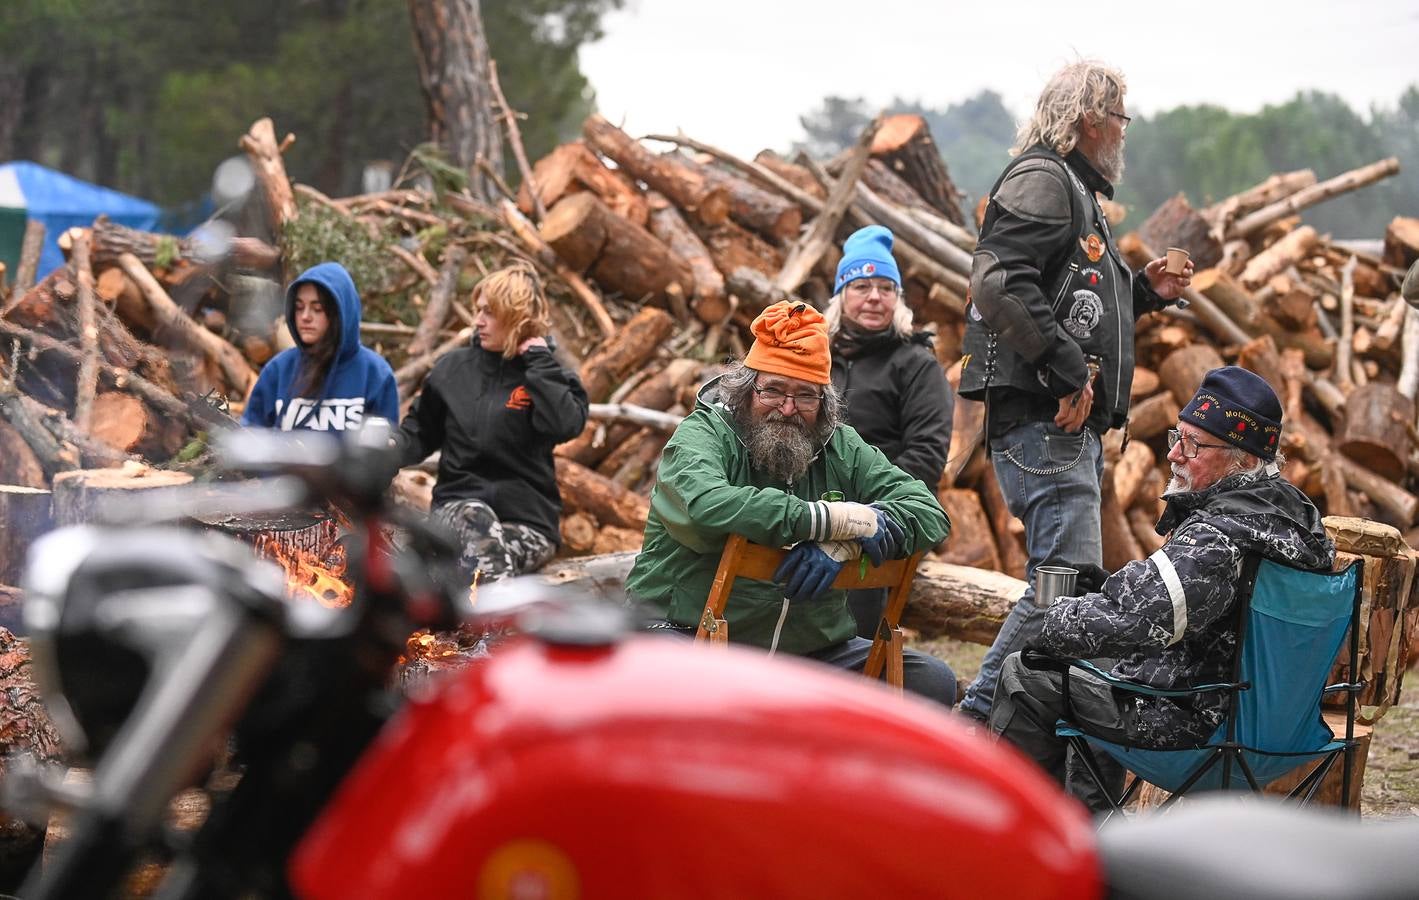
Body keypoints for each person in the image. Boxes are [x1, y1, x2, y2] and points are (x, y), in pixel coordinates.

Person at [956, 60, 1196, 724]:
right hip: (1045, 419)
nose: (1124, 131)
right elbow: (999, 281)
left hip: (1057, 424)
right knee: (1059, 585)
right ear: (1090, 119)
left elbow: (1070, 300)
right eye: (1119, 117)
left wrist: (1139, 292)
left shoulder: (1072, 188)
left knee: (1066, 586)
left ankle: (1016, 731)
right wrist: (1068, 371)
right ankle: (976, 727)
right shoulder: (1043, 179)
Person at [988, 367, 1335, 811]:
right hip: (1276, 728)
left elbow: (1140, 620)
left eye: (1193, 443)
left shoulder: (1219, 534)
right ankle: (1090, 832)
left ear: (1244, 459)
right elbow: (1189, 598)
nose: (1173, 453)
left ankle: (1013, 831)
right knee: (1097, 668)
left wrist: (1053, 621)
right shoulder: (1300, 525)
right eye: (1178, 435)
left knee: (1027, 673)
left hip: (1195, 725)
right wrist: (1112, 584)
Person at [625, 300, 957, 706]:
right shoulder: (705, 434)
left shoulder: (839, 446)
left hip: (807, 650)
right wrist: (824, 519)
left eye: (805, 396)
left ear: (824, 402)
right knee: (663, 679)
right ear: (748, 389)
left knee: (930, 682)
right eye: (774, 390)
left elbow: (927, 511)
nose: (787, 408)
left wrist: (843, 544)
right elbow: (705, 504)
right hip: (686, 631)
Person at [395, 262, 588, 583]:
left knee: (478, 564)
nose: (477, 321)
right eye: (478, 310)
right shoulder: (452, 369)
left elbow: (565, 425)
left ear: (517, 318)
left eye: (489, 312)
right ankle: (496, 632)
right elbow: (419, 432)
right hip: (456, 513)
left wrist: (539, 362)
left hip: (527, 526)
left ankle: (476, 629)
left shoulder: (550, 376)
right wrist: (388, 449)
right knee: (475, 527)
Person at [827, 225, 954, 637]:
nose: (874, 297)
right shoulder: (817, 360)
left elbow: (926, 457)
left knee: (849, 626)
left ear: (898, 298)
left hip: (890, 509)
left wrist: (858, 512)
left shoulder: (915, 364)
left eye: (885, 287)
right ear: (842, 294)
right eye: (861, 285)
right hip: (816, 504)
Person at [241, 262, 399, 431]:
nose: (305, 317)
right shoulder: (278, 370)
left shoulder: (375, 373)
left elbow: (385, 450)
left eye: (317, 309)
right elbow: (251, 434)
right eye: (299, 308)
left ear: (339, 313)